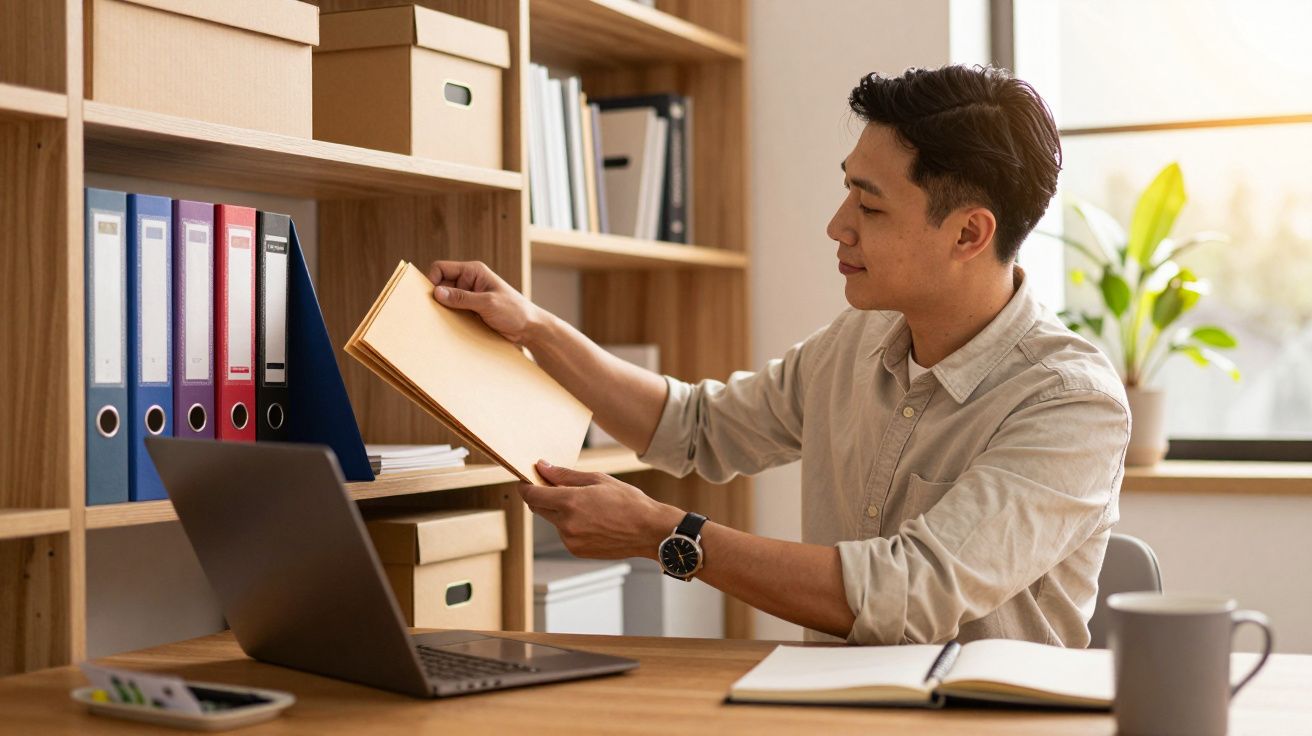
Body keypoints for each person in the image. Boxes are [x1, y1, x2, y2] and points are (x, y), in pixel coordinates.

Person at [427, 65, 1129, 647]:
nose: (837, 224)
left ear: (969, 234)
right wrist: (534, 327)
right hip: (827, 716)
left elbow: (907, 590)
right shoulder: (852, 346)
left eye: (870, 206)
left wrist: (663, 534)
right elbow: (694, 428)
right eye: (846, 186)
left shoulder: (1069, 402)